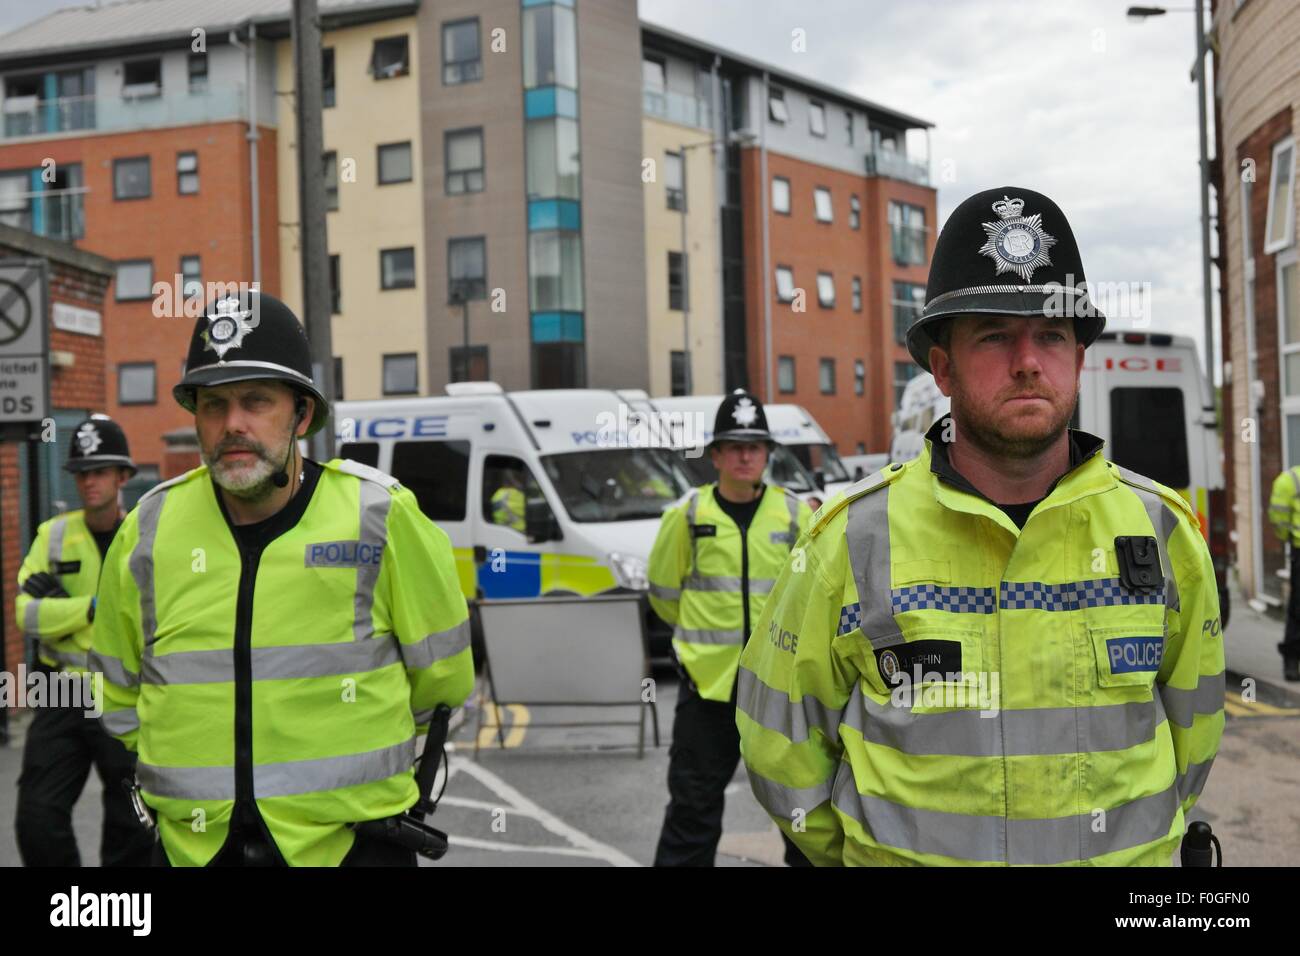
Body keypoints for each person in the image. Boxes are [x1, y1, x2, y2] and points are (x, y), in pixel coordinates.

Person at [738, 187, 1225, 866]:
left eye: (1051, 336)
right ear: (943, 367)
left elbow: (1193, 739)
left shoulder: (1163, 533)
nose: (1028, 360)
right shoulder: (848, 542)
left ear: (1078, 361)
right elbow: (778, 749)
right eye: (995, 334)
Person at [90, 291, 475, 866]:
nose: (232, 424)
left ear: (300, 414)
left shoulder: (381, 517)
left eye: (255, 401)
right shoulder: (149, 528)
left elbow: (441, 685)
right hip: (194, 852)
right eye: (213, 404)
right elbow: (114, 692)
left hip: (351, 849)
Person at [648, 389, 813, 866]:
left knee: (801, 814)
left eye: (755, 446)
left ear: (767, 455)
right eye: (734, 446)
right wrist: (701, 650)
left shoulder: (795, 515)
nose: (745, 455)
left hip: (779, 692)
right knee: (692, 811)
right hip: (707, 691)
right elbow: (663, 595)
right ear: (716, 455)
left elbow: (812, 599)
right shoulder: (689, 515)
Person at [14, 415, 153, 867]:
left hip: (124, 688)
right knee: (37, 815)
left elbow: (151, 615)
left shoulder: (145, 537)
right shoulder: (53, 536)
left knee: (131, 818)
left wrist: (64, 611)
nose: (89, 482)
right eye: (82, 473)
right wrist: (91, 609)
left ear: (123, 476)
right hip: (63, 692)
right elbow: (26, 613)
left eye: (99, 472)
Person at [1267, 465, 1300, 680]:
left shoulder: (1289, 479)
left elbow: (1278, 518)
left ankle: (1291, 663)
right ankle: (1291, 660)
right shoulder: (1290, 480)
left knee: (1297, 610)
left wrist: (1287, 535)